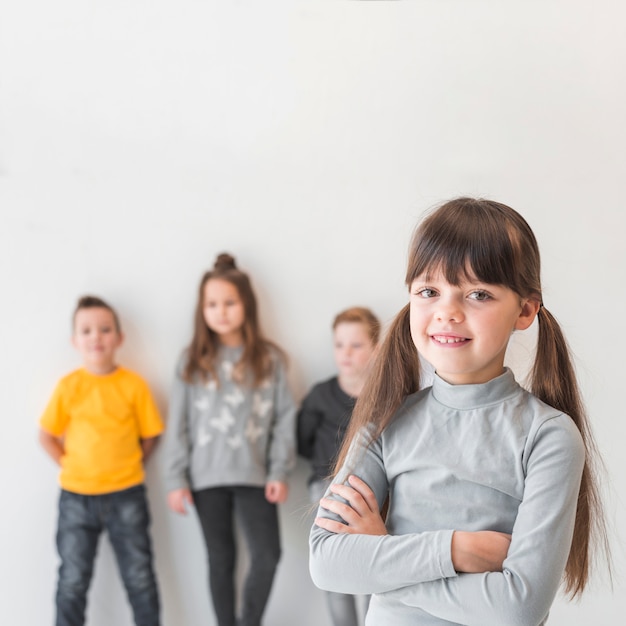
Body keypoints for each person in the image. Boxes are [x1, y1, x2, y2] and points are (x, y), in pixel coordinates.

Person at [309, 198, 609, 625]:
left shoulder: (549, 437)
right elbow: (327, 561)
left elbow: (517, 608)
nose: (447, 312)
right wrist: (457, 550)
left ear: (525, 310)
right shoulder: (386, 423)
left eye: (478, 294)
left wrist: (383, 555)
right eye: (429, 291)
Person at [165, 253, 296, 626]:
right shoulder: (191, 360)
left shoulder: (269, 360)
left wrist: (278, 471)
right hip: (206, 479)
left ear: (246, 306)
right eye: (212, 304)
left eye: (229, 302)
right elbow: (179, 422)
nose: (220, 312)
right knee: (220, 560)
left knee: (267, 555)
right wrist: (175, 479)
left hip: (255, 477)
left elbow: (284, 418)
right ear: (201, 309)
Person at [39, 295, 163, 626]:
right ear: (75, 341)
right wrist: (71, 466)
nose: (96, 337)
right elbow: (46, 435)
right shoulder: (69, 386)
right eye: (87, 330)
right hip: (76, 498)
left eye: (105, 329)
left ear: (119, 338)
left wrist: (133, 464)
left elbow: (151, 435)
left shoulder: (134, 386)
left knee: (140, 579)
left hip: (127, 495)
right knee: (72, 581)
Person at [298, 306, 380, 626]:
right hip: (326, 489)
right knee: (333, 572)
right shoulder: (320, 395)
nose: (346, 353)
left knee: (367, 571)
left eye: (356, 345)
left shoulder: (385, 395)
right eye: (339, 345)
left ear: (375, 348)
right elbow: (302, 441)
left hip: (373, 493)